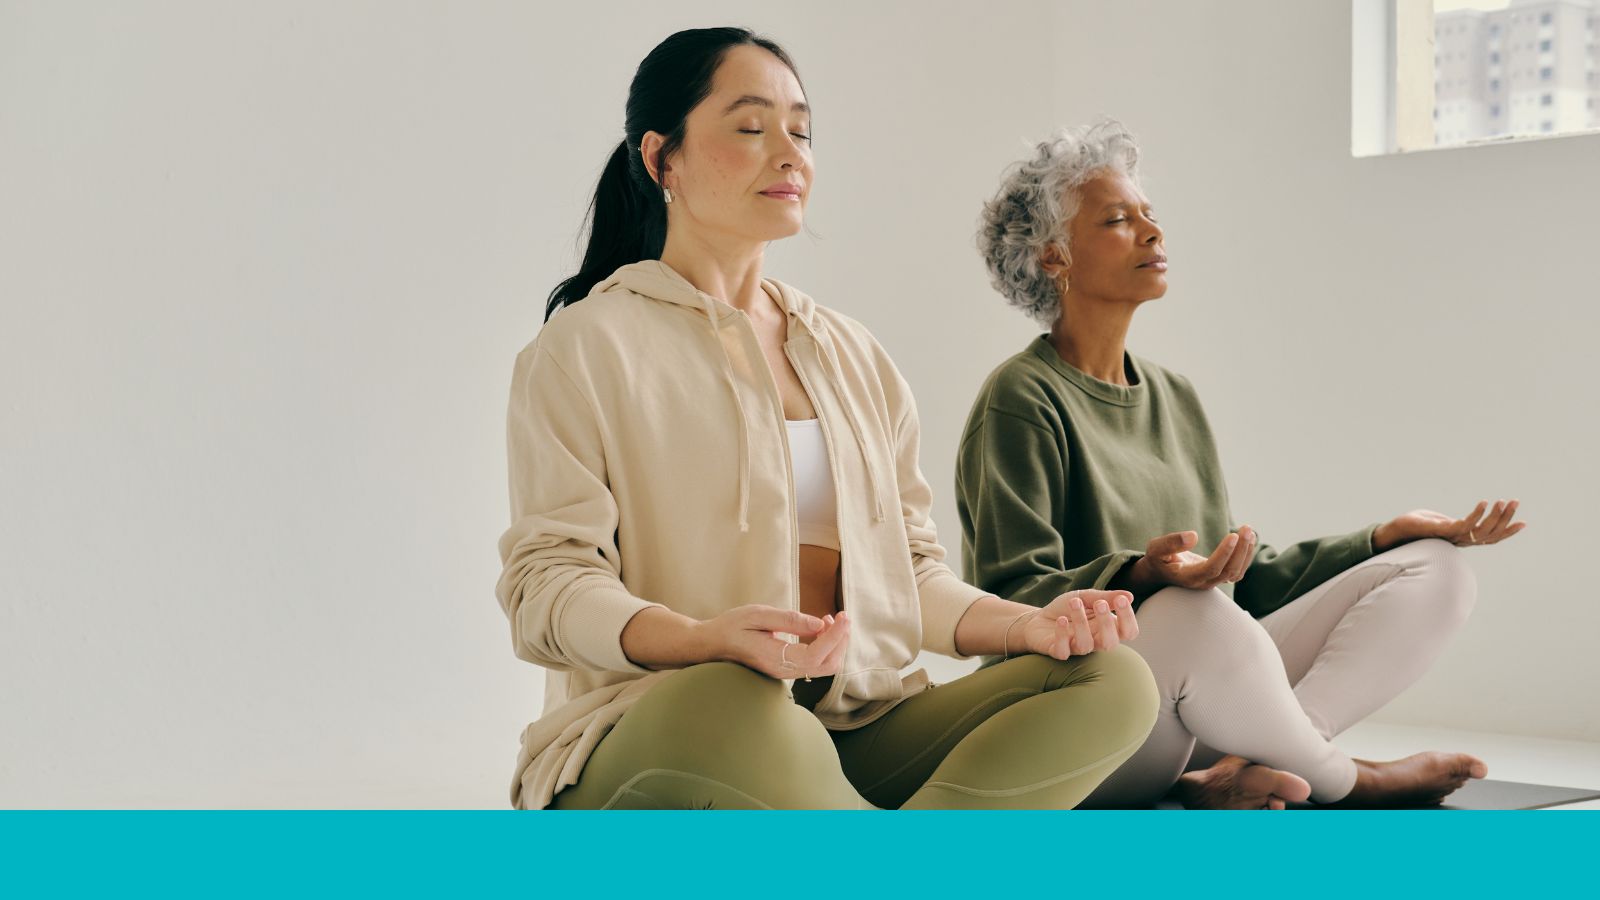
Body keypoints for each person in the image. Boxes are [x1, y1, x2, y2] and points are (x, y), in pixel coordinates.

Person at [494, 30, 1157, 810]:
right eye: (750, 127)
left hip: (854, 727)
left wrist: (1030, 627)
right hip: (667, 727)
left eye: (801, 131)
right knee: (739, 700)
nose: (789, 153)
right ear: (659, 159)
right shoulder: (583, 347)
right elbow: (548, 586)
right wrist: (702, 640)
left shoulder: (852, 354)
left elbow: (912, 575)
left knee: (1111, 677)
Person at [958, 120, 1524, 808]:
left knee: (1436, 569)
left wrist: (1383, 537)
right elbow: (1010, 597)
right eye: (1117, 219)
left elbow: (1245, 585)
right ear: (1054, 258)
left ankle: (1258, 764)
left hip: (1201, 700)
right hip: (1087, 719)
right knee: (1195, 614)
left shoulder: (1176, 397)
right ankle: (1346, 780)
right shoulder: (1020, 398)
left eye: (1149, 215)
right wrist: (1142, 576)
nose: (1153, 233)